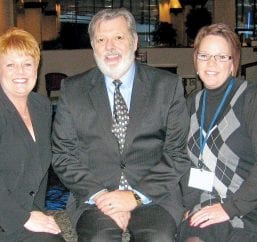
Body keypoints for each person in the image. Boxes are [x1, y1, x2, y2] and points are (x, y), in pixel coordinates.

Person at [52, 8, 190, 242]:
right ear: (93, 46)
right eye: (101, 39)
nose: (110, 46)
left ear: (134, 41)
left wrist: (135, 197)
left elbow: (177, 153)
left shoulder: (167, 86)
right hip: (96, 197)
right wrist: (101, 196)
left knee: (158, 238)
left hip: (154, 196)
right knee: (99, 238)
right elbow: (63, 155)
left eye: (118, 37)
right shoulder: (72, 90)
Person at [0, 28, 65, 242]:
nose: (20, 72)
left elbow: (36, 167)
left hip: (25, 214)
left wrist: (37, 216)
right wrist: (23, 218)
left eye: (27, 64)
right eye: (10, 65)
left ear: (36, 68)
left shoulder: (41, 107)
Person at [178, 23, 257, 242]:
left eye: (221, 57)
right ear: (195, 62)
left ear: (233, 64)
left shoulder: (254, 100)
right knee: (194, 237)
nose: (211, 63)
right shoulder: (190, 105)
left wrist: (229, 208)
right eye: (204, 55)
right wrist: (192, 205)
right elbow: (182, 161)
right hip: (206, 200)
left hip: (253, 203)